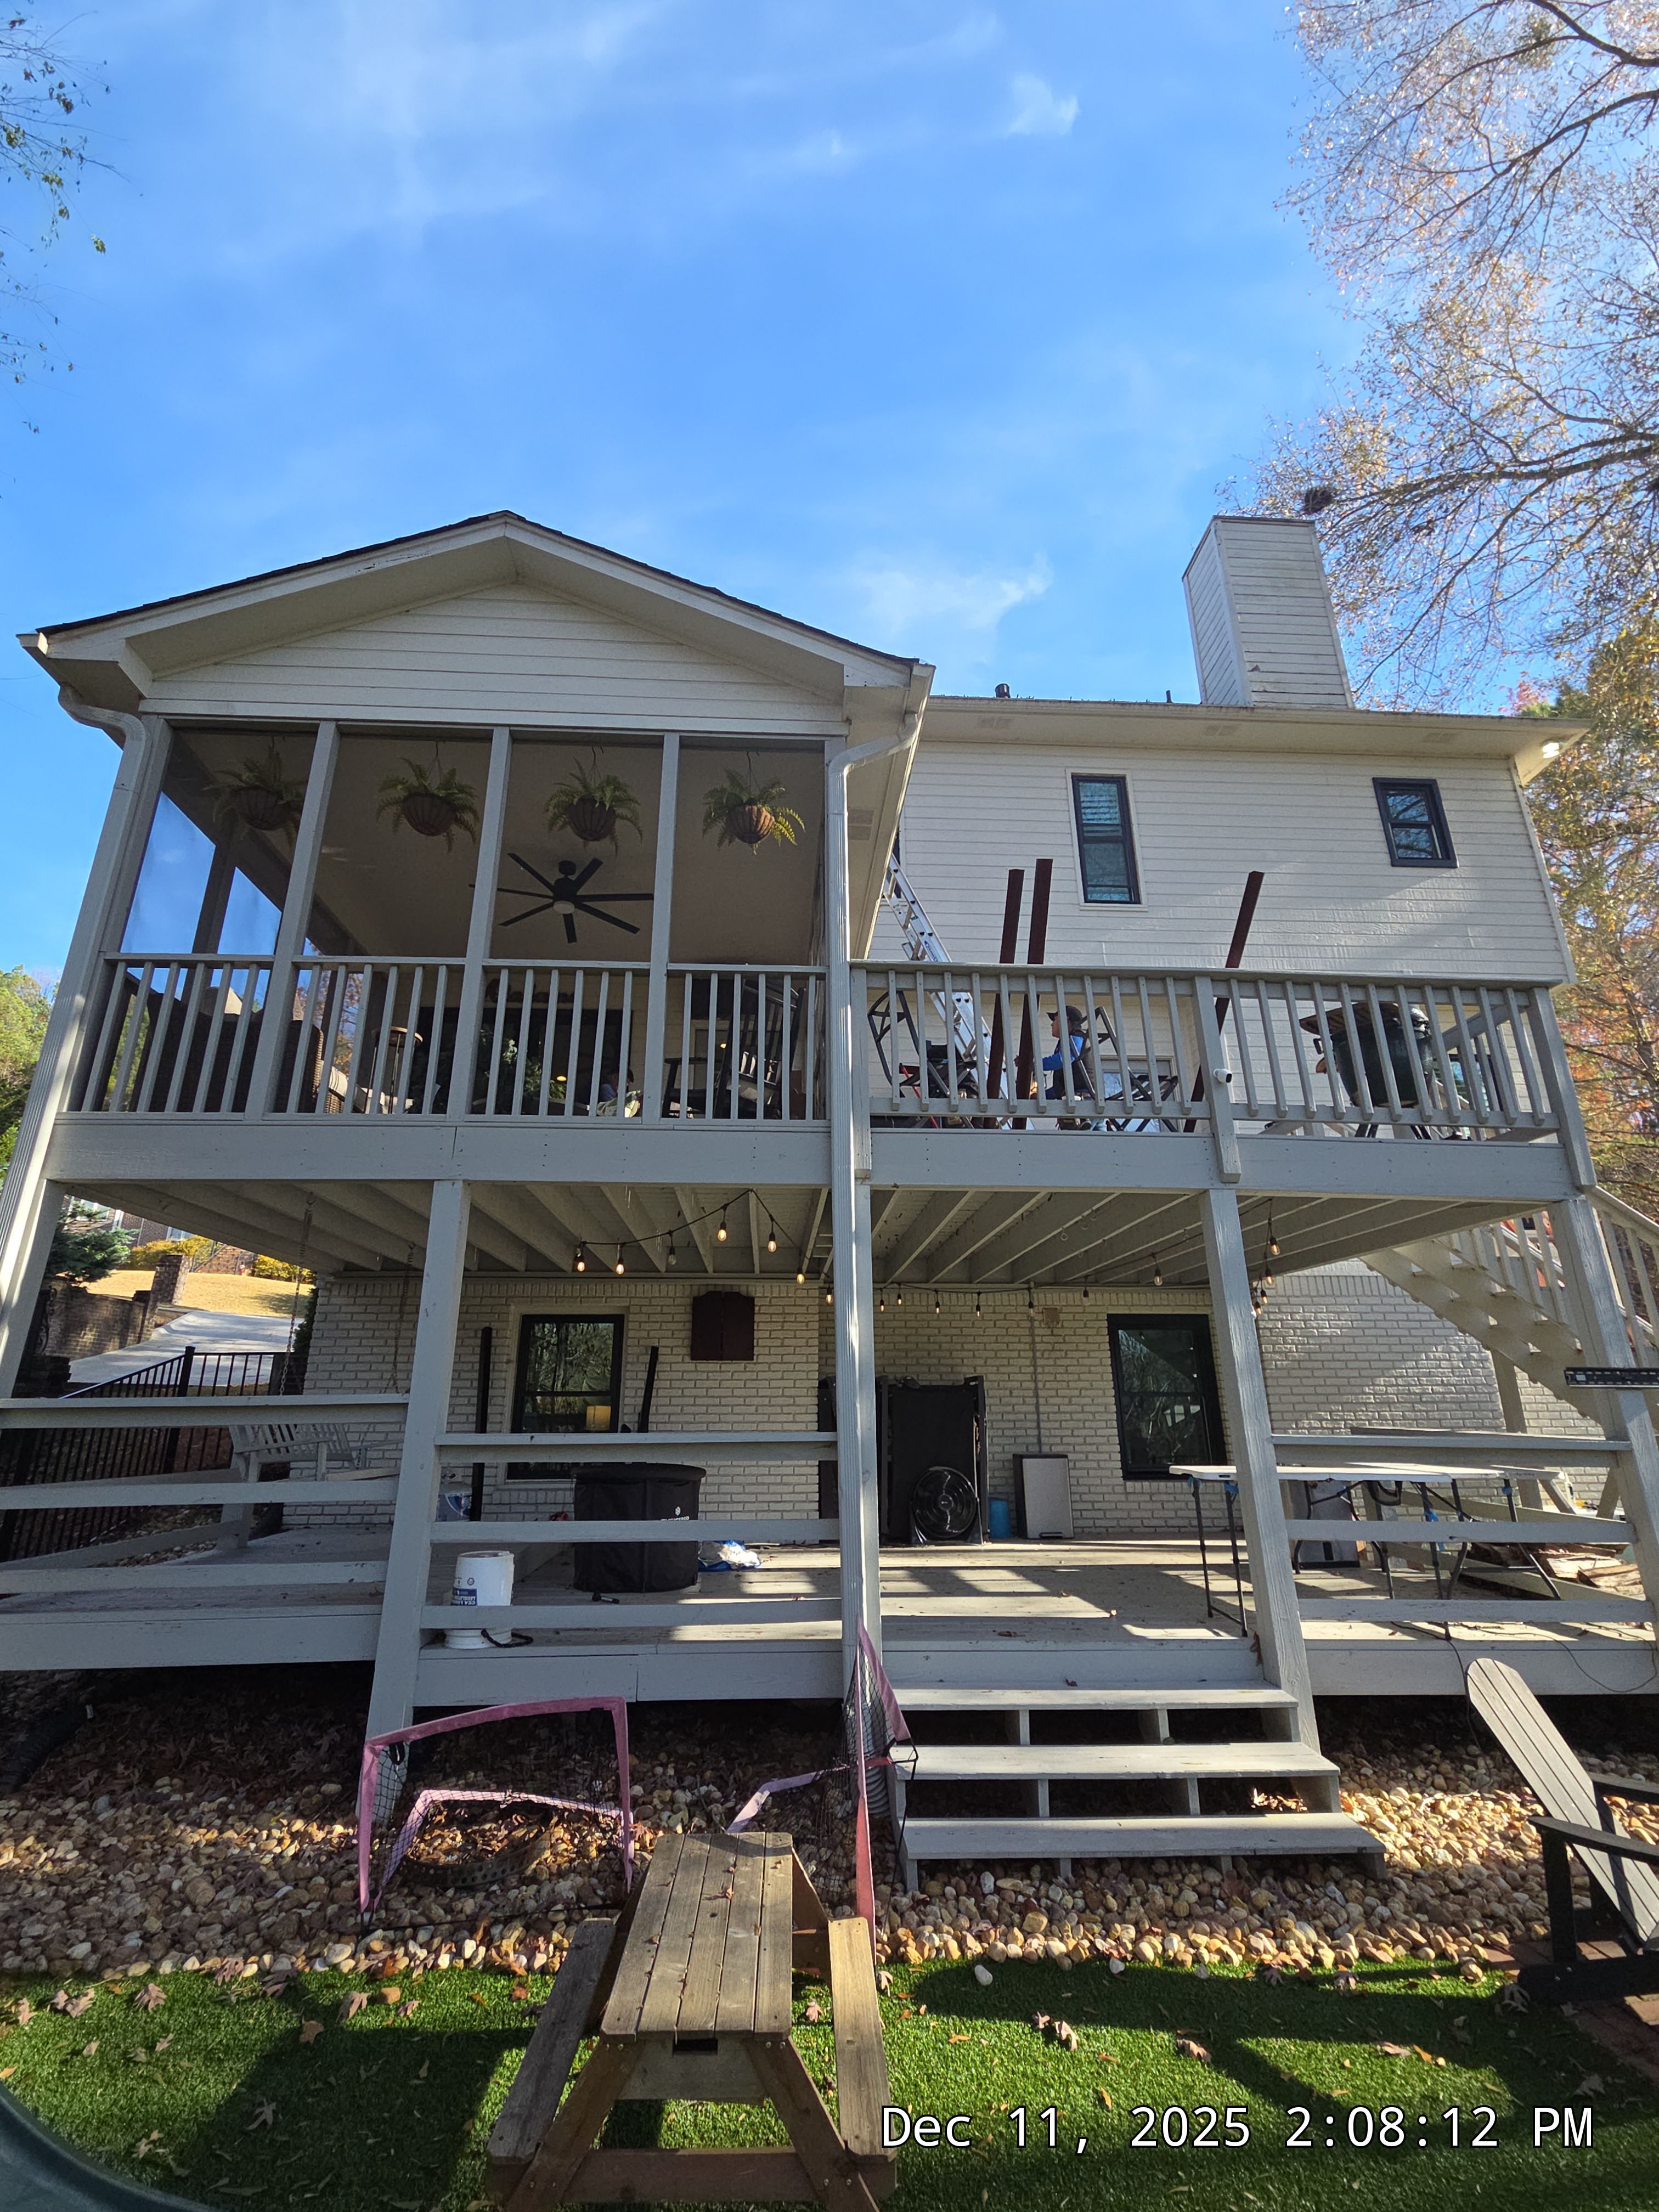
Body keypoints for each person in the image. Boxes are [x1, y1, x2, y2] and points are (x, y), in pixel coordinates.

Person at [1043, 1005, 1095, 1123]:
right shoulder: (1076, 1039)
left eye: (1055, 1020)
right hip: (1086, 1102)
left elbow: (1062, 1060)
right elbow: (1065, 1085)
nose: (1052, 1025)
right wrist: (1042, 1095)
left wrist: (1034, 1065)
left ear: (1065, 1019)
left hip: (1083, 1105)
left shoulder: (1076, 1038)